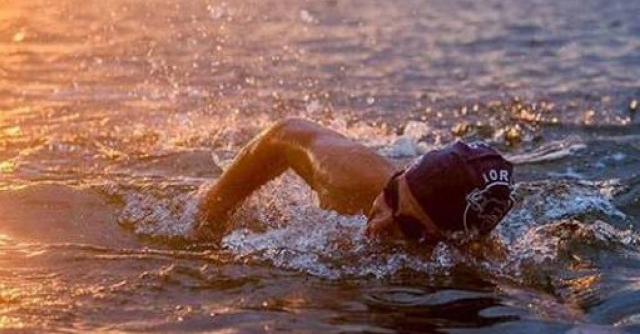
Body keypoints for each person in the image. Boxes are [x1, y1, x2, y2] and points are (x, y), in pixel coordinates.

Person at [196, 117, 515, 243]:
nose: (379, 223)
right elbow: (285, 133)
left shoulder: (470, 259)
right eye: (391, 194)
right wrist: (211, 212)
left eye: (409, 227)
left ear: (450, 241)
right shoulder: (351, 184)